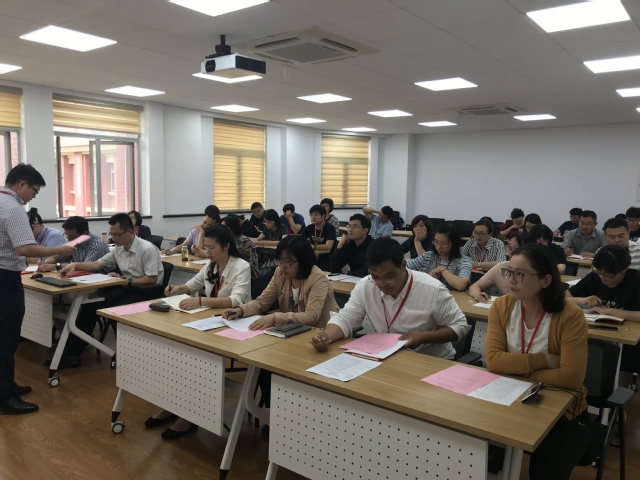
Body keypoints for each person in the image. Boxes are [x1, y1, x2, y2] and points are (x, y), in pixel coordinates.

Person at [485, 243, 589, 480]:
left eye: (520, 274)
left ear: (545, 280)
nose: (511, 280)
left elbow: (570, 378)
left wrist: (515, 368)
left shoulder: (570, 315)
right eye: (509, 271)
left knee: (545, 473)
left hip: (561, 411)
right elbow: (494, 361)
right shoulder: (501, 306)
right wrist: (544, 360)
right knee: (478, 454)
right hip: (508, 397)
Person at [146, 225, 250, 440]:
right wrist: (178, 289)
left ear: (226, 246)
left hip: (234, 325)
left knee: (194, 357)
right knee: (177, 351)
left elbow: (236, 300)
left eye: (212, 248)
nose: (207, 251)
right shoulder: (211, 265)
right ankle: (174, 405)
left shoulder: (241, 266)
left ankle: (190, 415)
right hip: (210, 321)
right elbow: (192, 285)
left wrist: (201, 301)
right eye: (206, 247)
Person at [311, 237, 470, 359]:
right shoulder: (366, 285)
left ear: (403, 266)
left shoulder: (431, 289)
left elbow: (460, 325)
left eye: (389, 277)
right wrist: (326, 337)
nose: (382, 284)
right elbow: (346, 318)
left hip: (429, 360)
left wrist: (424, 337)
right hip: (387, 357)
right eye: (375, 277)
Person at [0, 164, 76, 415]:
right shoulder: (13, 208)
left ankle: (6, 385)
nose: (33, 196)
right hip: (5, 278)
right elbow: (24, 248)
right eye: (34, 190)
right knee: (6, 338)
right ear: (21, 184)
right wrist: (59, 250)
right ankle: (5, 397)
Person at [58, 213, 164, 368]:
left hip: (147, 291)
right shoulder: (118, 249)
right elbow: (97, 265)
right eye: (111, 234)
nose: (113, 238)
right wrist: (75, 265)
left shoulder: (147, 249)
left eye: (117, 234)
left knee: (115, 310)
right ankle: (72, 353)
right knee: (90, 305)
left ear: (130, 232)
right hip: (128, 287)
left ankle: (125, 354)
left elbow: (151, 279)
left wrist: (126, 281)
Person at [222, 235, 339, 329]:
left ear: (303, 261)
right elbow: (262, 302)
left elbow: (311, 316)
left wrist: (275, 318)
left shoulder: (317, 278)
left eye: (288, 262)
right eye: (279, 261)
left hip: (321, 333)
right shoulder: (280, 273)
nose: (282, 266)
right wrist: (240, 310)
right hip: (291, 330)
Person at [567, 245, 640, 322]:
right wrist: (581, 300)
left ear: (624, 269)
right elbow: (563, 298)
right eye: (599, 272)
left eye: (608, 274)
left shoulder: (636, 279)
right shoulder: (594, 277)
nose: (602, 277)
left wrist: (609, 311)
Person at [406, 224, 472, 292]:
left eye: (443, 244)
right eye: (436, 242)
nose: (439, 247)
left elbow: (461, 285)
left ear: (453, 244)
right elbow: (404, 269)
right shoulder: (427, 256)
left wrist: (442, 270)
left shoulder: (464, 261)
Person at [469, 233, 530, 302]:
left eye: (515, 249)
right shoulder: (502, 267)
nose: (510, 252)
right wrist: (478, 295)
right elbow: (475, 286)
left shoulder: (533, 271)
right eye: (509, 247)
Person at [37, 216, 110, 273]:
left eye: (72, 237)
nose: (69, 240)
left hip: (102, 281)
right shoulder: (74, 242)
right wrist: (46, 263)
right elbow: (57, 257)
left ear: (84, 234)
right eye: (67, 236)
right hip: (81, 278)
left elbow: (86, 267)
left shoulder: (97, 244)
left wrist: (56, 266)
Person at [221, 214, 259, 279]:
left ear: (230, 229)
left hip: (247, 275)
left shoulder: (245, 242)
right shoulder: (224, 241)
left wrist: (236, 271)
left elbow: (252, 263)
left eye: (223, 228)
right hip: (230, 273)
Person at [303, 204, 337, 271]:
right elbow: (300, 240)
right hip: (313, 257)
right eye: (311, 215)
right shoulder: (309, 228)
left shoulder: (330, 228)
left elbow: (328, 246)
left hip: (327, 258)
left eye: (316, 215)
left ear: (323, 216)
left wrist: (313, 247)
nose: (313, 217)